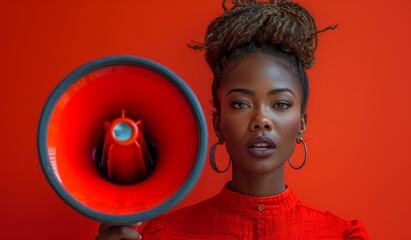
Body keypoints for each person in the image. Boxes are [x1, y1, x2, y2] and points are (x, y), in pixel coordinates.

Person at [96, 0, 369, 239]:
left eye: (281, 104)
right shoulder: (162, 234)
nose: (261, 120)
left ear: (301, 124)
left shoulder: (340, 235)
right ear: (218, 124)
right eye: (240, 103)